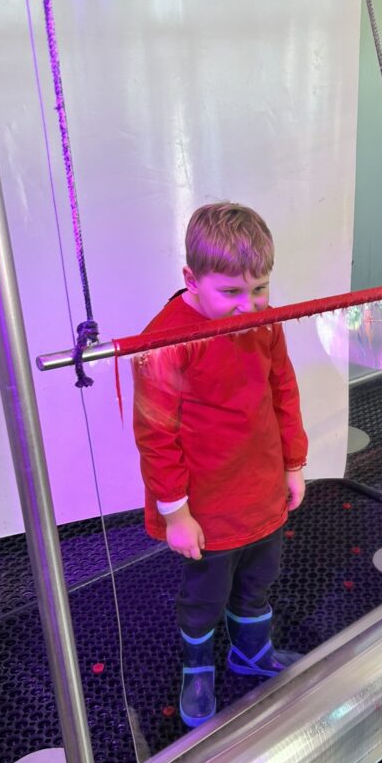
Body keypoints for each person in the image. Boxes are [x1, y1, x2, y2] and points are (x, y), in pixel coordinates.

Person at [132, 202, 308, 728]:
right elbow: (156, 435)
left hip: (261, 486)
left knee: (260, 576)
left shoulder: (264, 322)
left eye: (260, 289)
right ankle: (198, 667)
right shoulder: (165, 341)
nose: (247, 306)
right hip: (206, 504)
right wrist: (176, 514)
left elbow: (283, 390)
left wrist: (293, 464)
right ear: (191, 279)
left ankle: (251, 652)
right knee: (205, 593)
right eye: (230, 292)